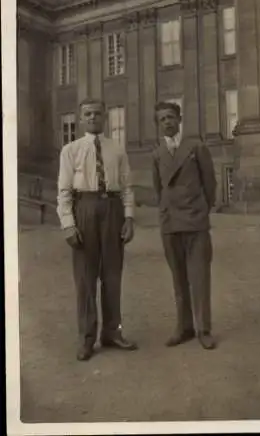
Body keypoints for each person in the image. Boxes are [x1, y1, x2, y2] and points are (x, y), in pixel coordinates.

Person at [57, 98, 137, 361]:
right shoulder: (71, 150)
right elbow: (64, 192)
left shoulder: (117, 149)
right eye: (88, 114)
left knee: (112, 275)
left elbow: (127, 187)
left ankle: (112, 332)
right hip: (85, 209)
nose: (93, 118)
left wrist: (129, 218)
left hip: (112, 210)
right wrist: (68, 225)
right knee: (85, 278)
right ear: (81, 119)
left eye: (97, 113)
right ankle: (87, 338)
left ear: (105, 117)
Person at [152, 101, 217, 350]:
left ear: (179, 119)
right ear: (158, 125)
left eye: (171, 117)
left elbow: (209, 184)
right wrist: (166, 212)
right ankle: (184, 327)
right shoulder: (156, 154)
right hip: (171, 224)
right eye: (162, 119)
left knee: (199, 276)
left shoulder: (196, 147)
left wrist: (201, 209)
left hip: (195, 221)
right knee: (178, 279)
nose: (167, 122)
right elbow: (159, 190)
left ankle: (204, 329)